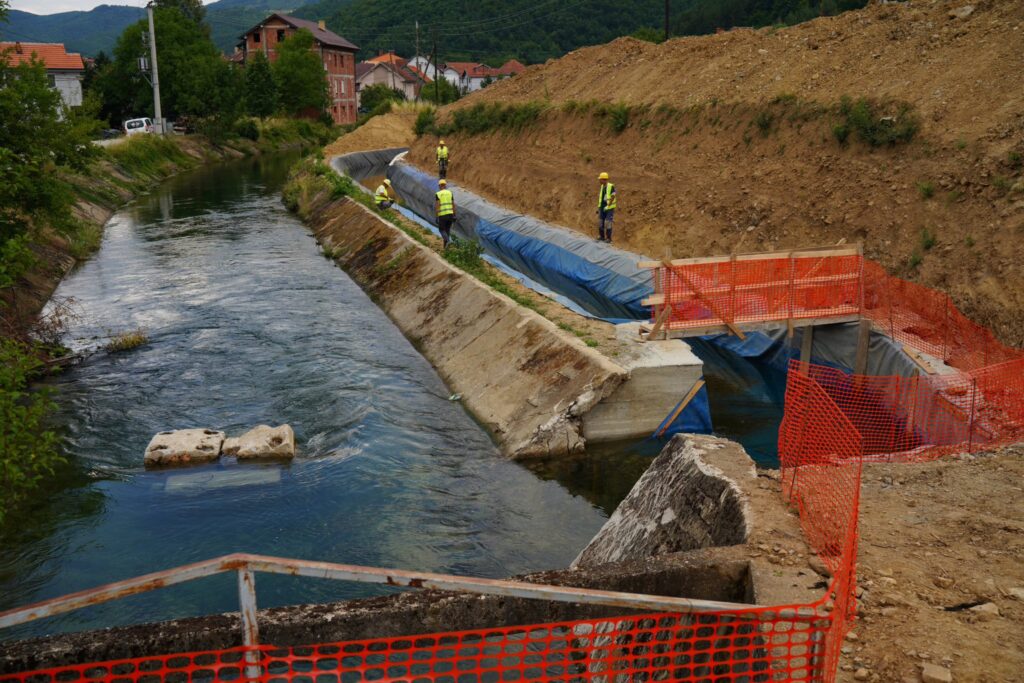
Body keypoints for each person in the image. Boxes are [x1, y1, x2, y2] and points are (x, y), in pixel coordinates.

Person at [435, 179, 456, 248]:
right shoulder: (450, 193)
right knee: (447, 231)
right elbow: (453, 204)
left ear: (440, 186)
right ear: (445, 185)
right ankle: (446, 248)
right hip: (450, 214)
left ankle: (448, 241)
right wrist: (454, 215)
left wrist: (437, 216)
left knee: (441, 229)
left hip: (442, 215)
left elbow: (438, 205)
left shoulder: (438, 194)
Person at [597, 172, 616, 243]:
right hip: (602, 207)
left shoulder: (611, 186)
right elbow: (601, 198)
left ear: (604, 179)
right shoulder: (602, 187)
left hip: (609, 208)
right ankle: (602, 236)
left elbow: (613, 196)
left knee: (608, 222)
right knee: (600, 222)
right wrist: (599, 208)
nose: (599, 180)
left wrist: (608, 206)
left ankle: (609, 238)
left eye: (600, 179)